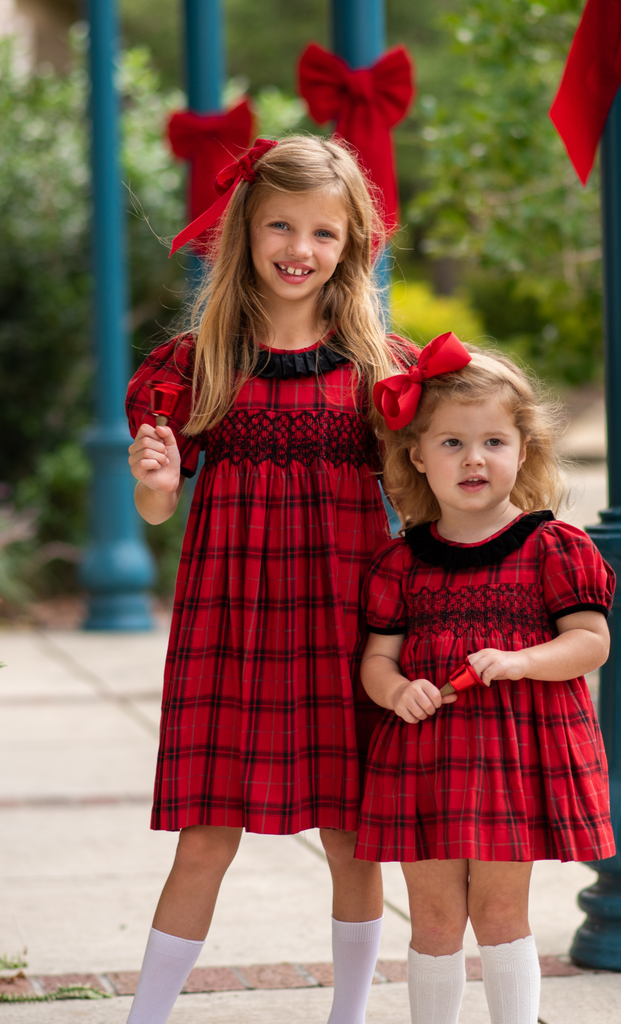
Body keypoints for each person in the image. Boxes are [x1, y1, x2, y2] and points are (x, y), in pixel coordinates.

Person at [124, 135, 412, 1024]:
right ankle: (146, 1017)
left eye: (323, 233)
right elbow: (158, 513)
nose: (300, 248)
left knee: (352, 836)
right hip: (230, 624)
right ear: (246, 231)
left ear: (353, 244)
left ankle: (350, 1016)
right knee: (206, 837)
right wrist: (157, 481)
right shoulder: (196, 367)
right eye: (281, 225)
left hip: (344, 623)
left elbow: (417, 492)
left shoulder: (379, 369)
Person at [355, 336, 616, 1024]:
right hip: (427, 762)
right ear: (417, 455)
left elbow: (590, 643)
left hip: (513, 758)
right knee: (436, 919)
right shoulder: (402, 562)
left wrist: (523, 660)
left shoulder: (552, 547)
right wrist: (394, 690)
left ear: (522, 451)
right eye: (452, 444)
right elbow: (377, 660)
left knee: (501, 912)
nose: (474, 458)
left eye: (494, 441)